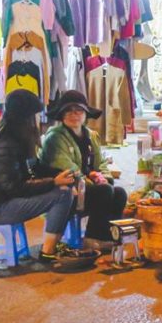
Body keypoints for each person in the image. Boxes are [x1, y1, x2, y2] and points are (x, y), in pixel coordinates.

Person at [0, 90, 91, 267]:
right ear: (26, 117)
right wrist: (54, 182)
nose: (38, 120)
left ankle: (54, 245)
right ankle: (48, 252)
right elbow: (13, 187)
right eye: (36, 115)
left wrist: (63, 175)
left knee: (66, 189)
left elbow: (35, 166)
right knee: (63, 194)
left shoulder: (19, 138)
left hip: (7, 200)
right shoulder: (6, 143)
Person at [40, 90, 128, 250]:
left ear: (85, 113)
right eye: (69, 111)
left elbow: (100, 163)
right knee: (104, 191)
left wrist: (102, 176)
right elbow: (68, 169)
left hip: (87, 188)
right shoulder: (54, 138)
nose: (74, 115)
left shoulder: (91, 135)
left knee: (120, 193)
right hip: (66, 193)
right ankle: (92, 238)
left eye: (79, 110)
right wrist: (93, 180)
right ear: (61, 114)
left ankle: (108, 237)